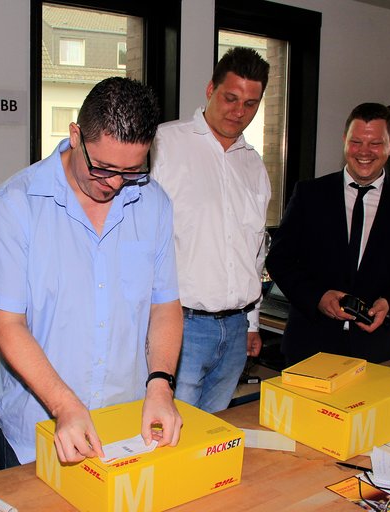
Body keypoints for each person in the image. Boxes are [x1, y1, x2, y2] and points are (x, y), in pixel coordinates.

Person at [0, 77, 183, 467]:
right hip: (38, 431)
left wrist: (161, 385)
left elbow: (164, 306)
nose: (115, 183)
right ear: (74, 136)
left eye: (131, 170)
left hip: (126, 424)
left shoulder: (153, 203)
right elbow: (7, 325)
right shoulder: (16, 204)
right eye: (102, 167)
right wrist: (64, 405)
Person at [265, 102, 390, 365]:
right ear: (344, 141)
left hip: (375, 351)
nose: (364, 152)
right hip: (309, 346)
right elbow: (279, 260)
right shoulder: (309, 195)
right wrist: (318, 297)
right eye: (356, 142)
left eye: (375, 143)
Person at [150, 47, 270, 413]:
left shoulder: (253, 164)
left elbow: (254, 251)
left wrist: (251, 322)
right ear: (210, 90)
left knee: (213, 436)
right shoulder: (163, 145)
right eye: (230, 98)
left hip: (235, 330)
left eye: (251, 104)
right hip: (181, 327)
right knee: (172, 436)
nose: (239, 111)